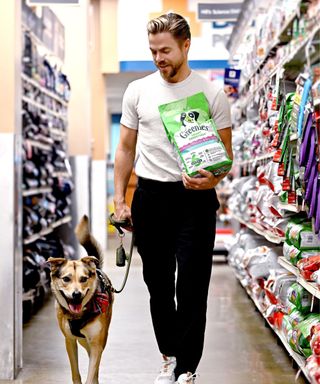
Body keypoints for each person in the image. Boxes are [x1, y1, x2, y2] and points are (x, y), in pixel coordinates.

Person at [113, 13, 233, 384]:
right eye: (153, 51)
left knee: (193, 286)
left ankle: (187, 368)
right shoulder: (138, 91)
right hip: (151, 198)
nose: (159, 58)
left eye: (165, 50)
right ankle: (169, 355)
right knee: (158, 285)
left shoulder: (212, 94)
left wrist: (212, 177)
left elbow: (225, 154)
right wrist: (119, 199)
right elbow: (125, 149)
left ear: (185, 46)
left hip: (195, 201)